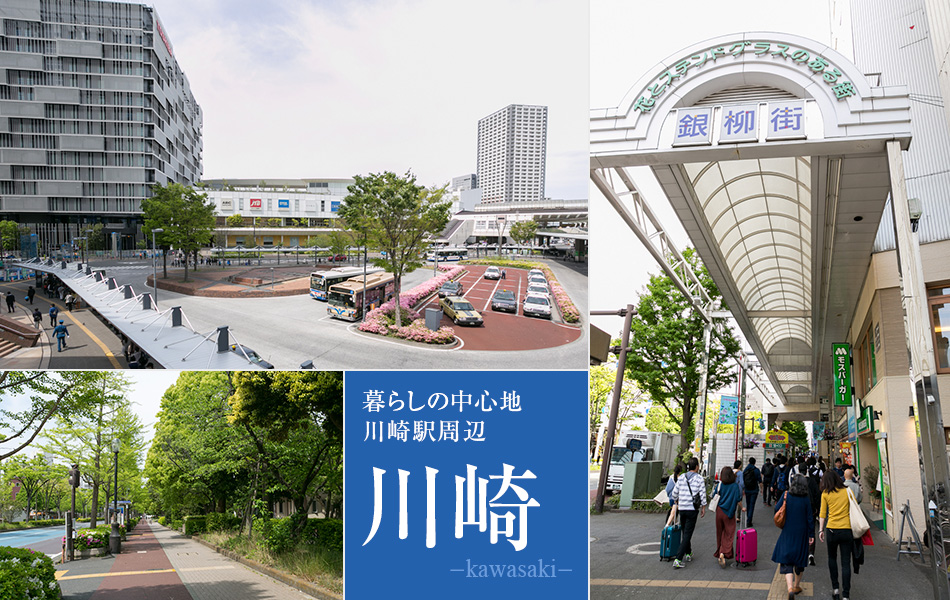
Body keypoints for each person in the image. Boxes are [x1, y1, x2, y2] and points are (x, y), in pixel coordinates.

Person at [772, 474, 815, 599]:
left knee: (787, 560)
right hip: (802, 532)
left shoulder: (786, 495)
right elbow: (810, 518)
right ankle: (796, 586)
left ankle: (789, 588)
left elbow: (776, 508)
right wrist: (811, 534)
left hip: (788, 530)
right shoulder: (805, 498)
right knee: (800, 559)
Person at [819, 470, 853, 600]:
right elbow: (854, 508)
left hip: (832, 530)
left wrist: (820, 530)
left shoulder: (825, 494)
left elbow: (822, 514)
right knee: (845, 562)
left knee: (832, 559)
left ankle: (836, 589)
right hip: (846, 530)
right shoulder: (847, 491)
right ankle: (846, 595)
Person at [668, 457, 706, 569]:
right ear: (697, 467)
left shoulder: (682, 477)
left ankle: (688, 553)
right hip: (692, 510)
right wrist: (703, 507)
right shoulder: (699, 479)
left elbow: (674, 493)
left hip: (682, 508)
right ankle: (678, 559)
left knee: (685, 532)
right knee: (687, 534)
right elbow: (703, 494)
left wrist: (676, 500)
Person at [712, 466, 743, 568]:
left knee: (719, 533)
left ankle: (719, 551)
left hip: (719, 511)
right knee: (729, 534)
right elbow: (738, 498)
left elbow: (714, 495)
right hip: (729, 512)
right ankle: (723, 553)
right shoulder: (735, 486)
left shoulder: (720, 485)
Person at [743, 457, 762, 527]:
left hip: (747, 489)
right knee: (752, 505)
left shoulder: (745, 469)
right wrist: (762, 489)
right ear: (755, 462)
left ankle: (748, 518)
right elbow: (760, 480)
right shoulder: (756, 470)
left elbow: (743, 479)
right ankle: (749, 520)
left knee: (748, 504)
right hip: (754, 490)